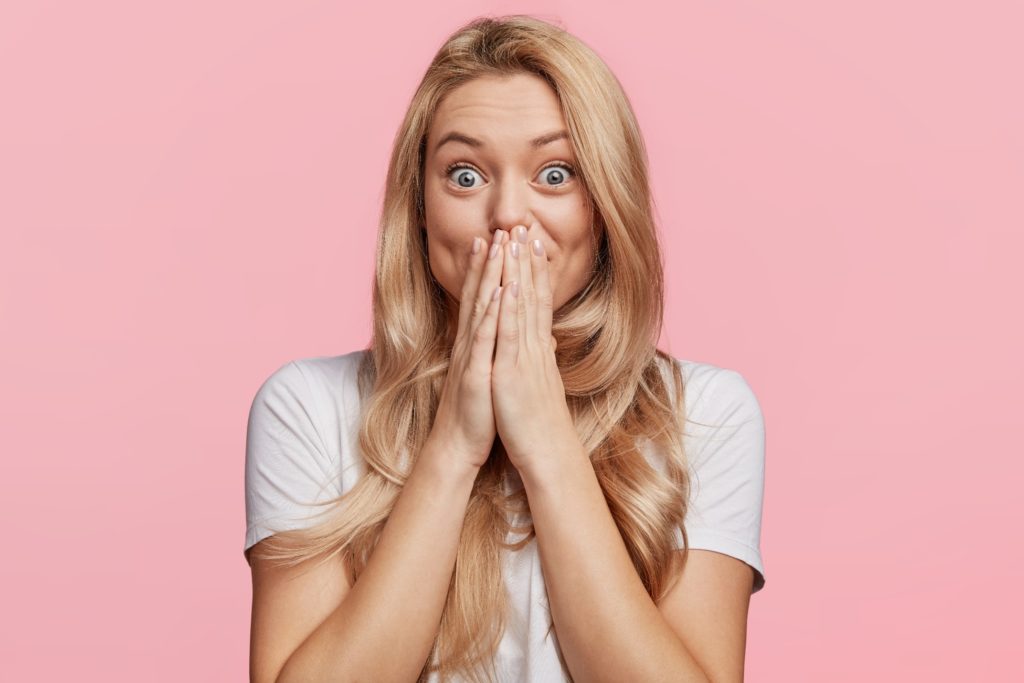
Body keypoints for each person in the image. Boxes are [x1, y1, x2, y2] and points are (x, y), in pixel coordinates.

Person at [244, 14, 766, 683]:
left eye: (555, 174)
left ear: (605, 207)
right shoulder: (307, 408)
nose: (508, 214)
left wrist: (546, 441)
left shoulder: (708, 415)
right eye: (465, 175)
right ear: (420, 208)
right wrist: (455, 444)